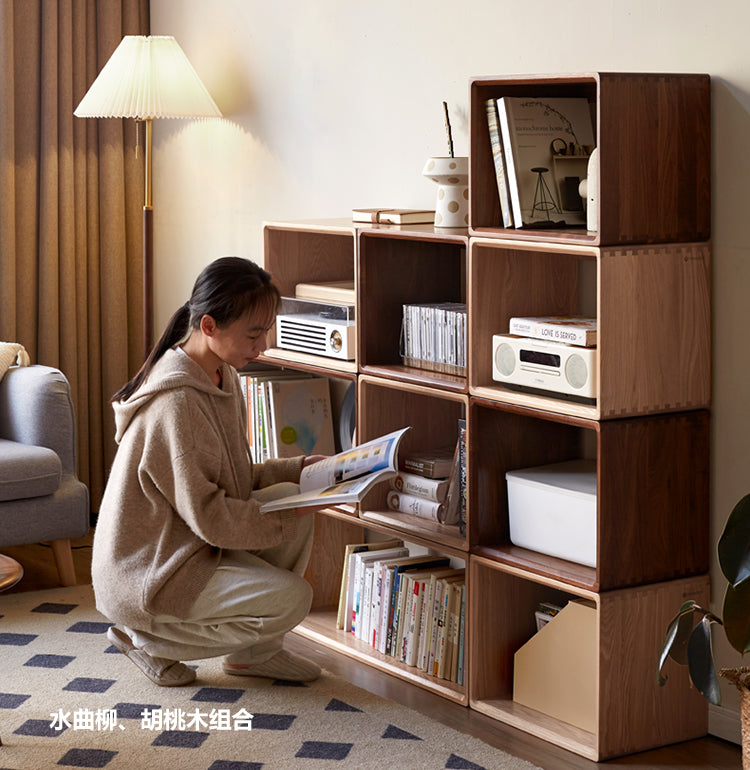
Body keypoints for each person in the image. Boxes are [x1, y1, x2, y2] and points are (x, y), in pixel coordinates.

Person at [92, 256, 325, 687]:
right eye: (254, 333)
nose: (263, 345)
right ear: (209, 326)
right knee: (294, 599)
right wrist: (286, 517)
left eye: (266, 331)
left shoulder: (220, 374)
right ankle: (143, 638)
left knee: (293, 492)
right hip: (153, 572)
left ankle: (253, 655)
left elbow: (232, 476)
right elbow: (212, 517)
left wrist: (299, 469)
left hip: (190, 546)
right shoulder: (177, 403)